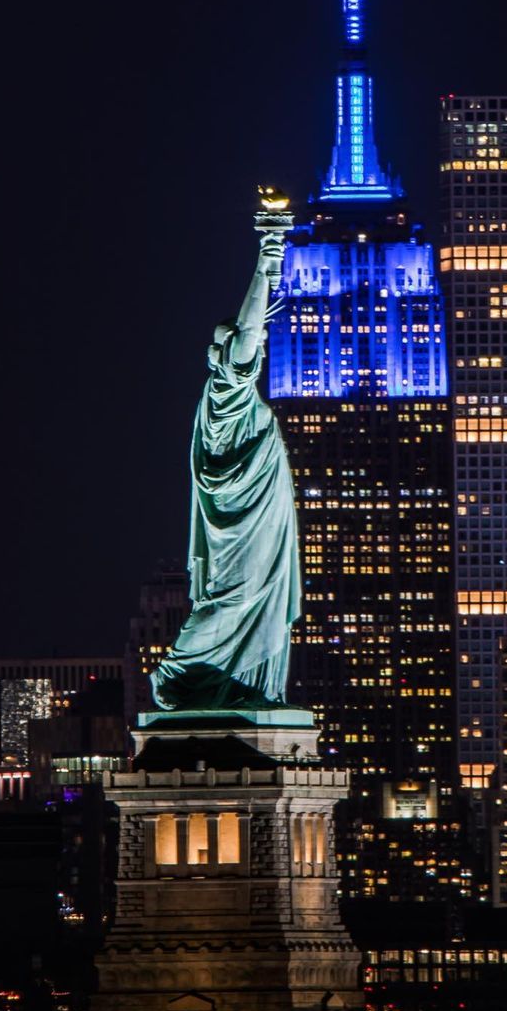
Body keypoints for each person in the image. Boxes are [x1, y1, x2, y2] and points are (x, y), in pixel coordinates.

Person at [151, 243, 301, 710]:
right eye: (239, 346)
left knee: (255, 599)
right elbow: (249, 328)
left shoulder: (227, 396)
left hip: (259, 516)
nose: (250, 350)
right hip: (239, 523)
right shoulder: (226, 390)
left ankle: (244, 686)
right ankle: (179, 669)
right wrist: (266, 264)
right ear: (220, 355)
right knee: (234, 599)